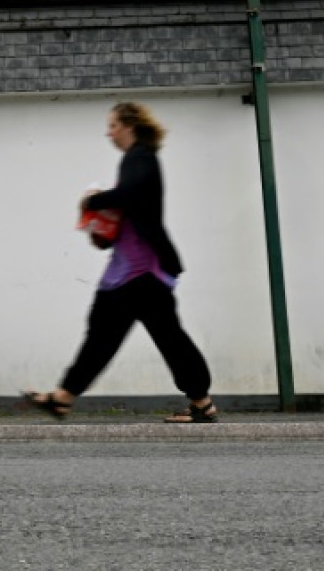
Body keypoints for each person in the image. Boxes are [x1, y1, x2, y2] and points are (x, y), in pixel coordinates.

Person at [23, 101, 218, 423]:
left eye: (113, 125)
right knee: (155, 338)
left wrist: (92, 200)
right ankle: (201, 403)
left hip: (141, 275)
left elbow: (129, 194)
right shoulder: (139, 159)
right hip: (133, 273)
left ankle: (63, 397)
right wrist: (104, 229)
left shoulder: (139, 156)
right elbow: (133, 205)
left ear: (129, 125)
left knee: (123, 337)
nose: (108, 132)